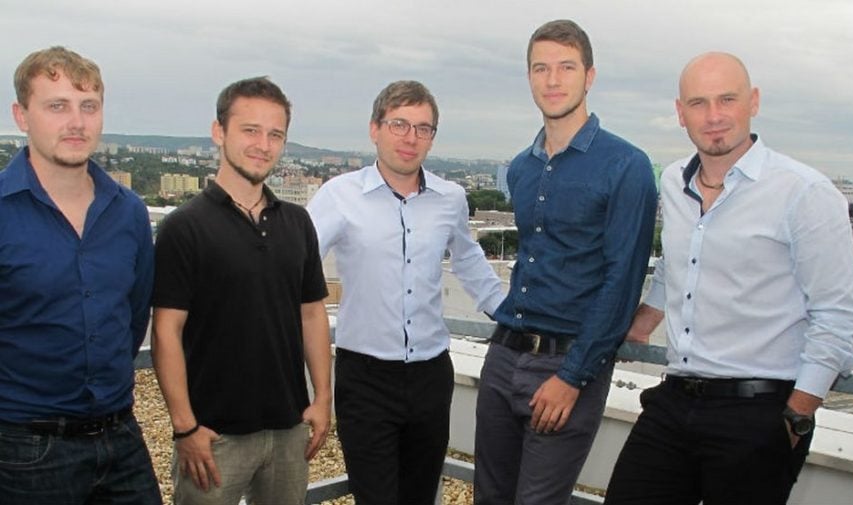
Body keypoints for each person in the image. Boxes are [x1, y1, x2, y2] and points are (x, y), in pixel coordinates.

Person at [603, 52, 853, 505]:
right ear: (680, 113)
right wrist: (643, 320)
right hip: (674, 399)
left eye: (727, 99)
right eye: (698, 103)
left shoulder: (804, 192)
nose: (714, 116)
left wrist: (795, 419)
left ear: (753, 102)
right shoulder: (673, 181)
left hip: (759, 411)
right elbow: (675, 263)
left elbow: (838, 317)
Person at [473, 20, 658, 505]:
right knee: (488, 497)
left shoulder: (626, 165)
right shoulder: (522, 167)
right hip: (503, 355)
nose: (553, 80)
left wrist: (573, 376)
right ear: (529, 78)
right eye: (541, 68)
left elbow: (622, 281)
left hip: (567, 364)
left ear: (589, 76)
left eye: (566, 67)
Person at [307, 80, 504, 505]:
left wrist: (511, 316)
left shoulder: (450, 198)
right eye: (399, 124)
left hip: (431, 376)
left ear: (432, 137)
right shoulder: (339, 195)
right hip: (365, 378)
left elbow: (469, 260)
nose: (410, 138)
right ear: (374, 129)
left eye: (423, 128)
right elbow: (296, 265)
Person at [151, 76, 332, 505]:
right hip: (214, 438)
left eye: (275, 135)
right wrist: (185, 427)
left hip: (288, 429)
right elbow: (165, 332)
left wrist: (323, 398)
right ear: (219, 132)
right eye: (250, 130)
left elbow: (312, 314)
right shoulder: (184, 227)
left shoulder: (297, 223)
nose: (263, 145)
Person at [0, 46, 161, 504]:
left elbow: (133, 316)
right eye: (57, 106)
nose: (76, 122)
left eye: (88, 106)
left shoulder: (129, 212)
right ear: (21, 116)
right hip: (24, 450)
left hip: (121, 439)